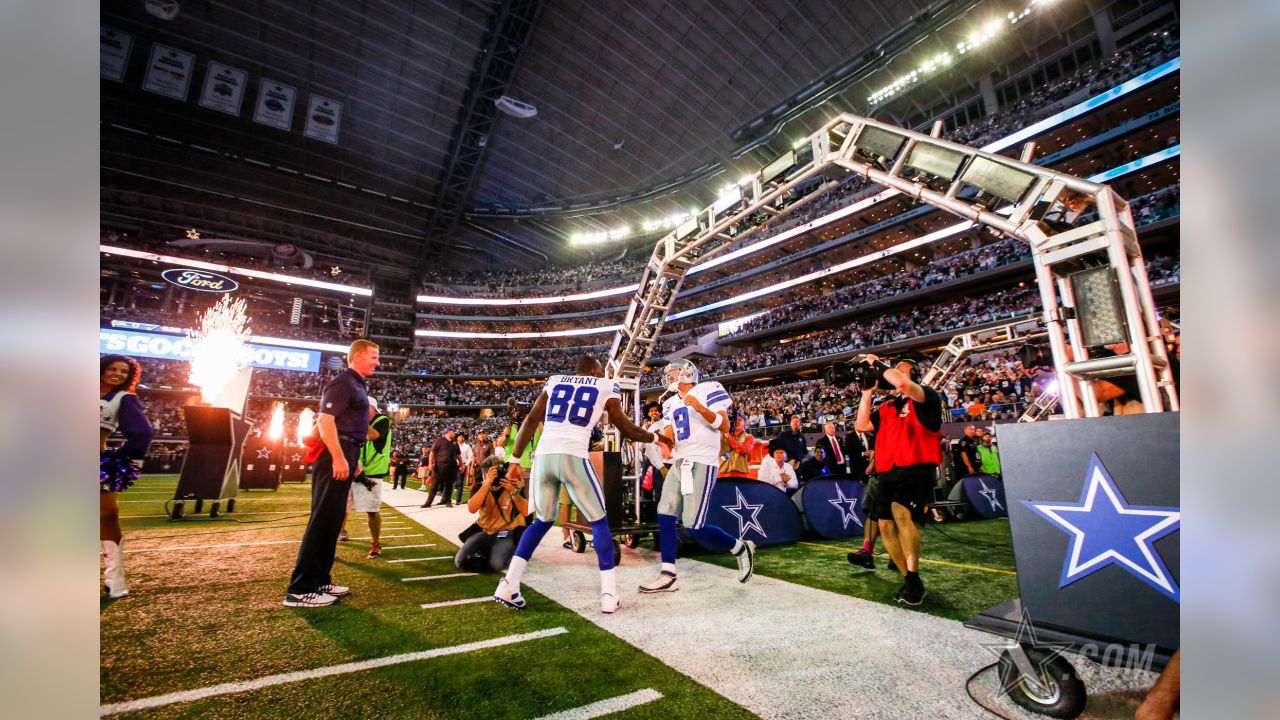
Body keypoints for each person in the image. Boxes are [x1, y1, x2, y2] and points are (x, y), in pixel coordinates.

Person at [494, 356, 669, 614]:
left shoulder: (554, 381)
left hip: (544, 457)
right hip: (573, 455)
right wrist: (658, 436)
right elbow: (627, 429)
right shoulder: (605, 385)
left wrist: (516, 459)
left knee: (541, 521)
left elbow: (531, 420)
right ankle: (609, 594)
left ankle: (509, 584)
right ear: (596, 371)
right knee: (599, 522)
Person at [641, 358, 756, 595]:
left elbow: (724, 425)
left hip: (702, 461)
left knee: (694, 526)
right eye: (669, 372)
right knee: (664, 513)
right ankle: (668, 574)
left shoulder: (708, 388)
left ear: (688, 373)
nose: (670, 375)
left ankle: (740, 548)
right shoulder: (671, 403)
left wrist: (699, 407)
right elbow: (671, 434)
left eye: (674, 371)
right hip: (680, 461)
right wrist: (662, 442)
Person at [284, 339, 379, 608]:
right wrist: (338, 456)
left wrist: (353, 459)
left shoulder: (357, 384)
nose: (377, 362)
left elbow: (349, 426)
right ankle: (301, 588)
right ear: (357, 356)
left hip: (347, 452)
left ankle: (320, 579)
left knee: (333, 520)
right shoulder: (344, 382)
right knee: (323, 519)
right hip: (335, 454)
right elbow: (325, 421)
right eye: (373, 356)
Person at [853, 355, 943, 607]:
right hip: (889, 469)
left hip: (917, 464)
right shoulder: (888, 407)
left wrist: (877, 364)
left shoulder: (927, 396)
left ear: (913, 375)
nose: (893, 375)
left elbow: (903, 385)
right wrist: (866, 392)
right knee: (883, 523)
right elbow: (861, 424)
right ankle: (910, 579)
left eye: (900, 371)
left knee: (900, 511)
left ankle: (913, 573)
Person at [99, 355, 154, 599]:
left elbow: (142, 433)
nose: (118, 374)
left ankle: (115, 579)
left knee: (108, 516)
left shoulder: (123, 399)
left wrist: (119, 457)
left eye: (123, 371)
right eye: (112, 368)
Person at [455, 456, 528, 573]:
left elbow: (525, 511)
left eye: (500, 470)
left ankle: (515, 549)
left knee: (497, 564)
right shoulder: (480, 486)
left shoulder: (514, 485)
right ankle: (490, 549)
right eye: (494, 472)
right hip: (485, 530)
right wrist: (487, 484)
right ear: (486, 473)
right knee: (459, 560)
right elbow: (472, 508)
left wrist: (513, 492)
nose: (498, 474)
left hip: (506, 532)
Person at [354, 397, 391, 559]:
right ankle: (335, 536)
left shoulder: (382, 420)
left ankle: (375, 543)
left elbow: (373, 435)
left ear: (373, 408)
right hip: (354, 469)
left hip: (372, 472)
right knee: (341, 508)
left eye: (365, 407)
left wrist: (358, 420)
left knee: (371, 510)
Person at [422, 427, 460, 508]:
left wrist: (462, 464)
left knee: (449, 485)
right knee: (434, 485)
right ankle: (428, 502)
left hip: (451, 467)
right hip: (439, 466)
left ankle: (448, 501)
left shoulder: (454, 442)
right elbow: (432, 452)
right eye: (453, 431)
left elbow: (458, 454)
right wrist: (430, 463)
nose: (454, 433)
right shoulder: (439, 440)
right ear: (448, 432)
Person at [453, 431, 473, 505]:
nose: (461, 438)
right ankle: (446, 498)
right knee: (449, 482)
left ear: (464, 438)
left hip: (462, 465)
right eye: (459, 437)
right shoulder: (453, 445)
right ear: (457, 438)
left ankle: (458, 500)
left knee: (459, 482)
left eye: (462, 437)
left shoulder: (467, 446)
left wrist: (466, 464)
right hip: (452, 465)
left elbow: (471, 456)